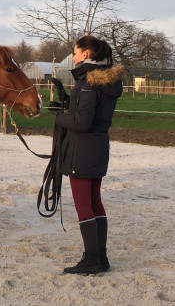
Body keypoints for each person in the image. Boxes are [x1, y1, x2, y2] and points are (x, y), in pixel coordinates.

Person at [54, 35, 124, 275]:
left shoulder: (86, 83)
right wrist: (66, 100)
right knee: (95, 202)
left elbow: (82, 122)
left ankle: (92, 259)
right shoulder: (106, 82)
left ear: (86, 54)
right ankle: (100, 257)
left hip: (81, 150)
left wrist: (59, 117)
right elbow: (89, 110)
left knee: (84, 205)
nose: (73, 57)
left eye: (75, 52)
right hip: (98, 147)